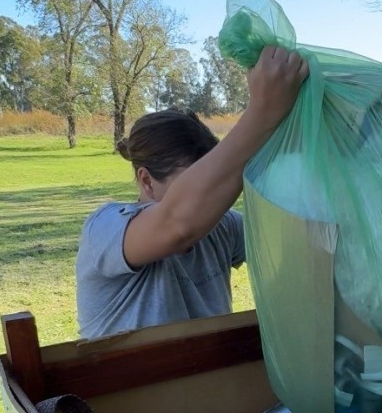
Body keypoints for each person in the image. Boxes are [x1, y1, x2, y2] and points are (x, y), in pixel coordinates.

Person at [76, 45, 308, 339]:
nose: (213, 197)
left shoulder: (223, 227)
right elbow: (178, 225)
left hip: (207, 378)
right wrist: (264, 112)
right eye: (192, 183)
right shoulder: (105, 229)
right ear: (146, 181)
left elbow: (299, 240)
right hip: (128, 383)